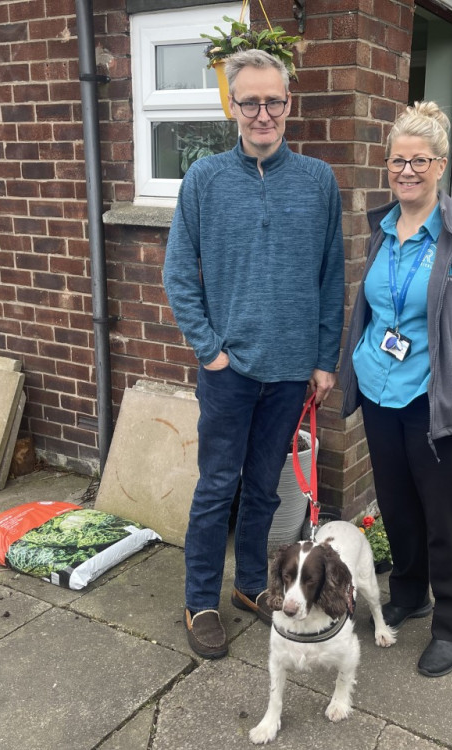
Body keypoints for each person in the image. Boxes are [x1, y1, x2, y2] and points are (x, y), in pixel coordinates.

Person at [162, 49, 344, 660]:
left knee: (265, 491)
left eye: (274, 101)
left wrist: (324, 360)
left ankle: (248, 588)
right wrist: (209, 351)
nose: (262, 113)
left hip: (292, 372)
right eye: (250, 102)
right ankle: (200, 600)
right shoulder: (205, 180)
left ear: (289, 106)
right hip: (229, 371)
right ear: (232, 106)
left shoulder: (318, 181)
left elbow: (330, 277)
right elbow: (178, 275)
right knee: (217, 488)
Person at [339, 101, 452, 678]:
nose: (408, 171)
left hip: (437, 401)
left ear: (441, 165)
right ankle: (411, 592)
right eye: (398, 160)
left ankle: (451, 625)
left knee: (446, 518)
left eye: (420, 160)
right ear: (386, 164)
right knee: (396, 507)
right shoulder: (382, 229)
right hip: (380, 392)